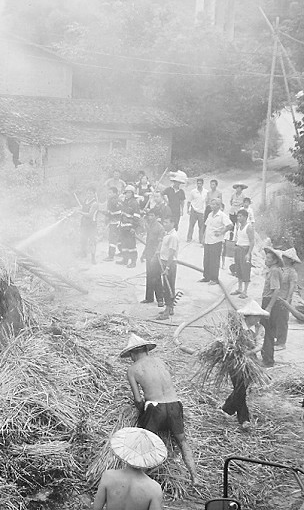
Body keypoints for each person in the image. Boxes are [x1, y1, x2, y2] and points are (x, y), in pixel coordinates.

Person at [121, 333, 198, 484]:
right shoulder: (161, 362)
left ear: (133, 353)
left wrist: (141, 412)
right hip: (175, 405)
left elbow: (138, 399)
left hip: (155, 408)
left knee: (145, 441)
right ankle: (195, 477)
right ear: (146, 349)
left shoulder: (132, 369)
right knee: (182, 441)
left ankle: (139, 479)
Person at [219, 300, 267, 432]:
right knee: (240, 388)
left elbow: (259, 344)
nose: (258, 319)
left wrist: (249, 352)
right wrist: (236, 350)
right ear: (248, 316)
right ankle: (244, 419)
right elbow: (227, 341)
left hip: (250, 360)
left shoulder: (260, 328)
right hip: (234, 360)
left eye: (259, 316)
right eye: (255, 316)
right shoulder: (236, 326)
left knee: (242, 388)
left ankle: (227, 408)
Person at [93, 427, 166, 510]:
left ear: (125, 451)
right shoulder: (154, 489)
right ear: (149, 458)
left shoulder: (108, 476)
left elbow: (96, 507)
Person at [259, 247, 285, 367]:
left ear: (275, 261)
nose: (266, 259)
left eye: (269, 258)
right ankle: (266, 357)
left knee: (267, 331)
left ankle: (268, 360)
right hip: (269, 301)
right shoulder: (273, 270)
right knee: (267, 330)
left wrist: (269, 307)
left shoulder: (274, 271)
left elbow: (276, 290)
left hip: (270, 302)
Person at [201, 199, 231, 285]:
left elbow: (230, 225)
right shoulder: (210, 214)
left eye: (214, 204)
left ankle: (214, 279)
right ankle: (206, 277)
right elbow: (207, 227)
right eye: (211, 204)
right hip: (208, 240)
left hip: (216, 241)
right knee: (206, 259)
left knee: (214, 261)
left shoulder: (222, 215)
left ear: (218, 206)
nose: (212, 206)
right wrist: (203, 238)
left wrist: (221, 232)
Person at [276, 248, 300, 351]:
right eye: (284, 256)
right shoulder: (282, 269)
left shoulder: (292, 272)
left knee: (283, 320)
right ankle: (278, 339)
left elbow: (292, 287)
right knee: (277, 319)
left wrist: (287, 300)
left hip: (285, 298)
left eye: (286, 257)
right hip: (277, 297)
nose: (283, 258)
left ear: (291, 260)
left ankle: (282, 342)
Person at [140, 208, 165, 308]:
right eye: (149, 215)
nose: (150, 217)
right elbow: (148, 242)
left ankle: (160, 299)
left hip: (156, 255)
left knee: (156, 277)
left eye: (152, 215)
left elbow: (160, 242)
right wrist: (143, 254)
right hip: (149, 254)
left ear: (157, 216)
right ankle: (149, 297)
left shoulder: (160, 228)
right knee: (149, 276)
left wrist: (156, 254)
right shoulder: (149, 226)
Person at [156, 217, 179, 320]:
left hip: (169, 264)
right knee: (167, 286)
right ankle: (170, 308)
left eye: (166, 222)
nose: (164, 224)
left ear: (172, 223)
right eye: (163, 222)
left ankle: (167, 311)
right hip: (164, 262)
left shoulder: (173, 236)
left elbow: (171, 253)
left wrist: (167, 268)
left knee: (168, 287)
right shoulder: (167, 234)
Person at [231, 209, 254, 299]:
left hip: (245, 250)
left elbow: (252, 241)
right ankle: (239, 288)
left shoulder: (249, 227)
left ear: (245, 217)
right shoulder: (239, 226)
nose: (238, 218)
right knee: (238, 269)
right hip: (238, 249)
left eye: (240, 216)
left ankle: (245, 291)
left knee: (245, 270)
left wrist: (248, 253)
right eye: (238, 216)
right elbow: (238, 238)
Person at [118, 185, 140, 268]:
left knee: (131, 245)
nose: (127, 194)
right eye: (126, 192)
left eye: (129, 192)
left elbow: (137, 216)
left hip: (130, 227)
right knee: (124, 244)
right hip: (123, 226)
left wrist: (134, 227)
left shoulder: (134, 203)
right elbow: (122, 214)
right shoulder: (125, 202)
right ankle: (125, 259)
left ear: (132, 193)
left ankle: (133, 262)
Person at [78, 186, 99, 263]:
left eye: (91, 193)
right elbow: (83, 210)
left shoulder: (95, 203)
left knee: (92, 241)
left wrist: (80, 212)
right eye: (88, 193)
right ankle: (83, 254)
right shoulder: (85, 201)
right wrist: (80, 210)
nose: (89, 195)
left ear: (94, 194)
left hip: (91, 225)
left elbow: (90, 215)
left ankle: (93, 258)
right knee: (83, 239)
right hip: (84, 224)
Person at [104, 187, 122, 262]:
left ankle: (111, 256)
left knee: (112, 239)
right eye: (108, 193)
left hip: (115, 222)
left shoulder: (112, 201)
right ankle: (122, 252)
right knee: (119, 238)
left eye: (110, 193)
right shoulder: (119, 200)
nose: (109, 194)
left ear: (115, 193)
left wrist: (107, 214)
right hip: (119, 222)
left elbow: (113, 212)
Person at [186, 178, 206, 244]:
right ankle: (189, 238)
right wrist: (188, 209)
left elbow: (207, 202)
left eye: (200, 183)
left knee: (201, 227)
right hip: (194, 210)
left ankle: (201, 240)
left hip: (201, 211)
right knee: (191, 225)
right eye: (198, 183)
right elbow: (189, 201)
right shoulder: (193, 191)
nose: (199, 185)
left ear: (202, 184)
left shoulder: (206, 192)